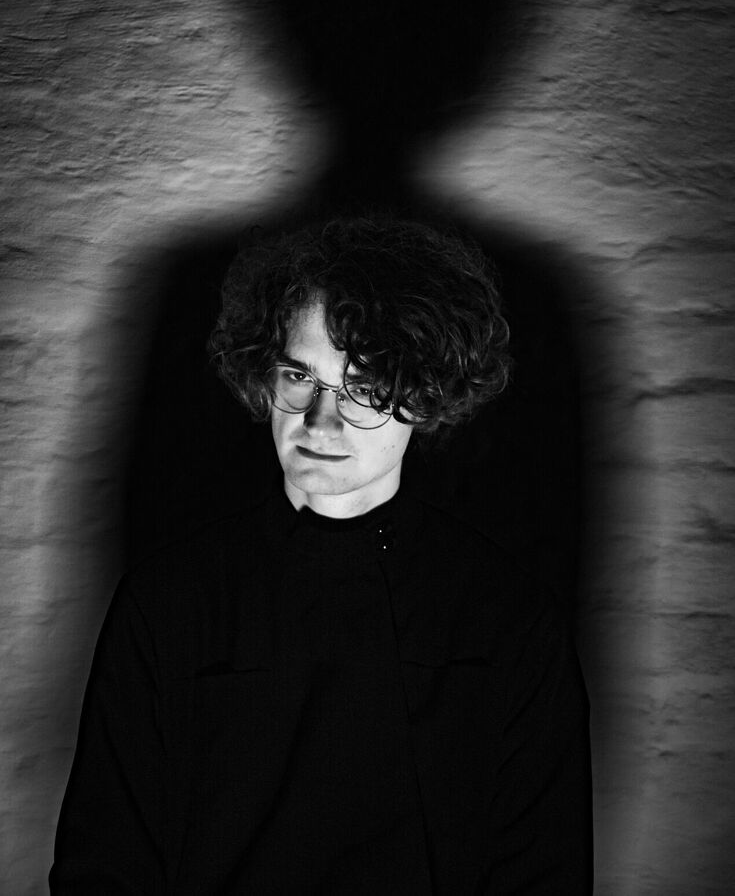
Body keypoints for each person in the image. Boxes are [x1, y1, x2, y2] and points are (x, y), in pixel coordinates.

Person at [50, 215, 593, 894]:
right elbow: (102, 866)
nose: (320, 421)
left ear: (424, 397)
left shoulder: (507, 618)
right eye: (298, 376)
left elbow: (545, 873)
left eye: (364, 386)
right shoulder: (170, 601)